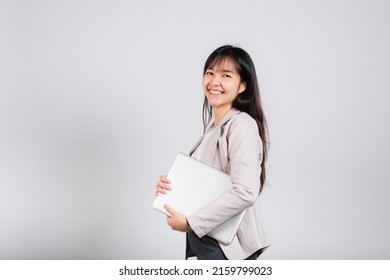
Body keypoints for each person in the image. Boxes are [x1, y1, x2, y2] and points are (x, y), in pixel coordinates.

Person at [155, 45, 271, 260]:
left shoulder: (241, 125)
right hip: (208, 240)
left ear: (243, 86)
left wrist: (191, 223)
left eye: (226, 75)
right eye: (210, 73)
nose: (214, 81)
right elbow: (207, 184)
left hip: (225, 247)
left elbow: (246, 191)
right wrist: (171, 188)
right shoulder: (214, 126)